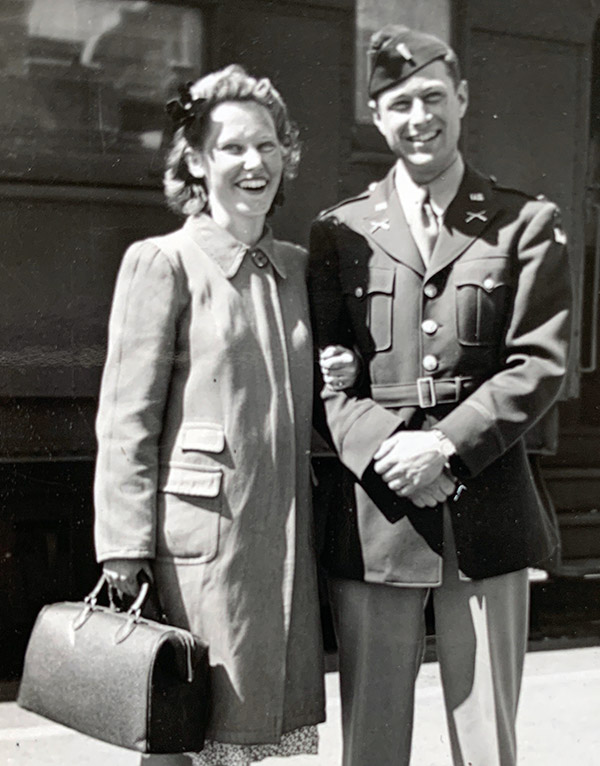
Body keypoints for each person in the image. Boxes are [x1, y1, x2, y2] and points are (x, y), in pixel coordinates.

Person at [308, 25, 572, 766]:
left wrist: (445, 447)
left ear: (462, 98)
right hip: (378, 510)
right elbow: (324, 378)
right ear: (377, 116)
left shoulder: (525, 223)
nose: (418, 117)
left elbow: (539, 364)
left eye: (432, 97)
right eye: (399, 103)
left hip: (488, 504)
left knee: (489, 741)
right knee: (373, 744)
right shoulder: (339, 231)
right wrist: (389, 450)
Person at [94, 64, 355, 766]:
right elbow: (126, 418)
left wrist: (340, 374)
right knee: (185, 733)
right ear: (197, 162)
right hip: (198, 553)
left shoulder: (298, 268)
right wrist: (122, 542)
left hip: (278, 548)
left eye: (268, 146)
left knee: (252, 739)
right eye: (233, 147)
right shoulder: (163, 263)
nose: (254, 163)